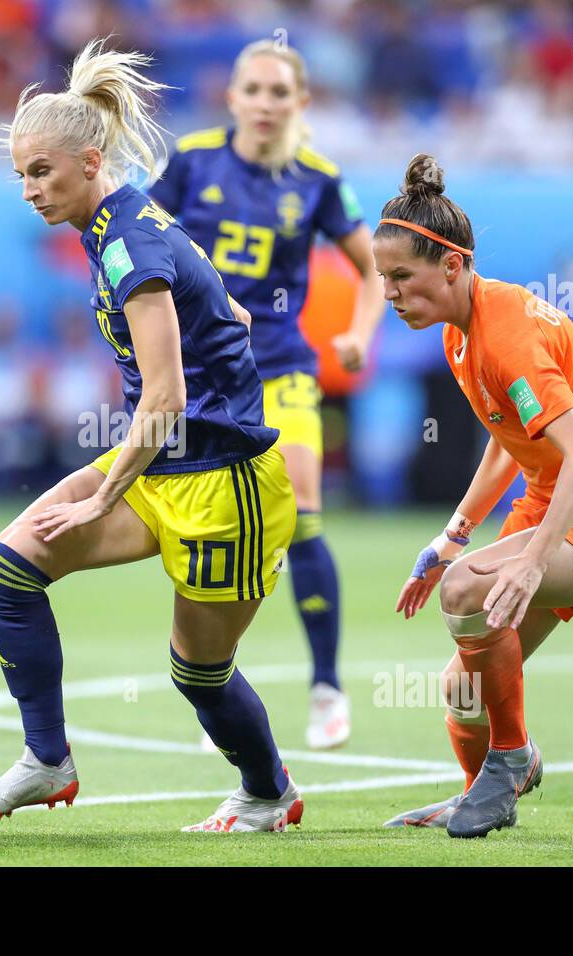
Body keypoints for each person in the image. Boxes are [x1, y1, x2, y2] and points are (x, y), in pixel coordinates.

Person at [0, 39, 302, 832]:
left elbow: (165, 396)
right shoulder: (109, 225)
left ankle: (268, 790)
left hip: (226, 484)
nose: (29, 189)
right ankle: (48, 760)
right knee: (10, 566)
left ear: (90, 163)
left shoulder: (129, 245)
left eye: (42, 172)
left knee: (198, 674)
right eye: (21, 174)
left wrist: (100, 501)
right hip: (161, 469)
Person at [376, 155, 573, 837]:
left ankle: (511, 757)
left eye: (403, 276)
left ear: (452, 266)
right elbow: (505, 436)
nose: (390, 293)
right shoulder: (463, 334)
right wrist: (454, 534)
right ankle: (480, 792)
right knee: (461, 687)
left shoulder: (507, 332)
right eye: (383, 278)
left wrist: (527, 559)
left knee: (466, 594)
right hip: (564, 500)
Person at [150, 39, 386, 749]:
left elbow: (375, 267)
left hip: (281, 370)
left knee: (302, 513)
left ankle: (326, 688)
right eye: (252, 89)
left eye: (278, 92)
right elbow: (136, 241)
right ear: (232, 97)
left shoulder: (315, 178)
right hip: (200, 383)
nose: (263, 103)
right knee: (213, 531)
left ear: (300, 103)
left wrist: (361, 333)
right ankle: (216, 685)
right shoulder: (191, 161)